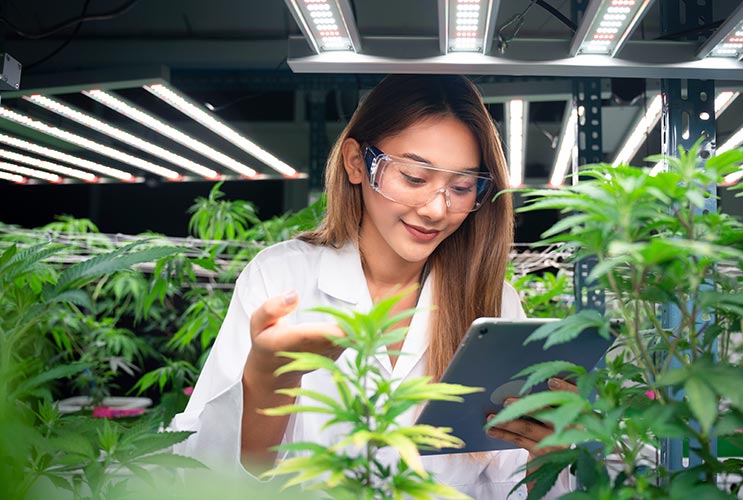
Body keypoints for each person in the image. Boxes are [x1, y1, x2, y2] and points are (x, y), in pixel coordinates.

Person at [170, 74, 572, 498]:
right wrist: (266, 380)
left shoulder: (493, 303)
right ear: (357, 163)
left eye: (461, 186)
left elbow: (508, 481)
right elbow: (203, 477)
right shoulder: (281, 277)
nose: (437, 209)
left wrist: (549, 453)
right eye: (415, 178)